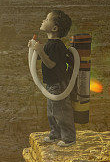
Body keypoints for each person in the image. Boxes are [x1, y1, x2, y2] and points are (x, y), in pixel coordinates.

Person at [27, 9, 76, 147]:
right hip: (51, 84)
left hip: (58, 84)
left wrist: (40, 50)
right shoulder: (49, 44)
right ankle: (56, 134)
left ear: (55, 28)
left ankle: (69, 137)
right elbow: (42, 59)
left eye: (47, 19)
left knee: (60, 111)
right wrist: (35, 49)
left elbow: (50, 64)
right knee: (52, 111)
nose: (43, 20)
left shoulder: (56, 45)